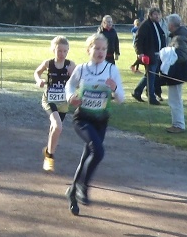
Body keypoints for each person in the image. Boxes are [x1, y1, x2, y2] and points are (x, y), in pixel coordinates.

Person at [64, 33, 126, 215]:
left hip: (101, 121)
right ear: (88, 50)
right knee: (98, 151)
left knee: (87, 156)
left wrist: (114, 88)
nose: (100, 52)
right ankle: (83, 186)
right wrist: (70, 97)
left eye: (104, 49)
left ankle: (72, 192)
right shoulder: (82, 69)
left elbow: (121, 98)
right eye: (96, 48)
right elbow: (69, 86)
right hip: (82, 119)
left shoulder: (111, 69)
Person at [34, 36, 77, 172]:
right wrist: (39, 80)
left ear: (68, 51)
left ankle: (48, 150)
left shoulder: (71, 65)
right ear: (54, 50)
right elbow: (37, 72)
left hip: (63, 103)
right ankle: (50, 157)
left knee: (55, 129)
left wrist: (73, 77)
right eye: (59, 51)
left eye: (65, 51)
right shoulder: (48, 63)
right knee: (58, 126)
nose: (62, 54)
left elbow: (78, 81)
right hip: (49, 100)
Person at [158, 14, 187, 133]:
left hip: (177, 74)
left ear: (172, 25)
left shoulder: (178, 38)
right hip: (176, 73)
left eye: (168, 23)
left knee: (175, 100)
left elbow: (182, 55)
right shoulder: (178, 36)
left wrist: (170, 55)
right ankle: (176, 123)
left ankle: (178, 125)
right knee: (174, 99)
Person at [133, 7, 167, 105]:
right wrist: (140, 53)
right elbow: (138, 40)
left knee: (150, 75)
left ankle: (138, 91)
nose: (157, 16)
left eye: (158, 14)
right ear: (150, 15)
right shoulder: (145, 25)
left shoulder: (156, 24)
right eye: (155, 14)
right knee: (151, 76)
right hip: (150, 55)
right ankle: (151, 97)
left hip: (158, 55)